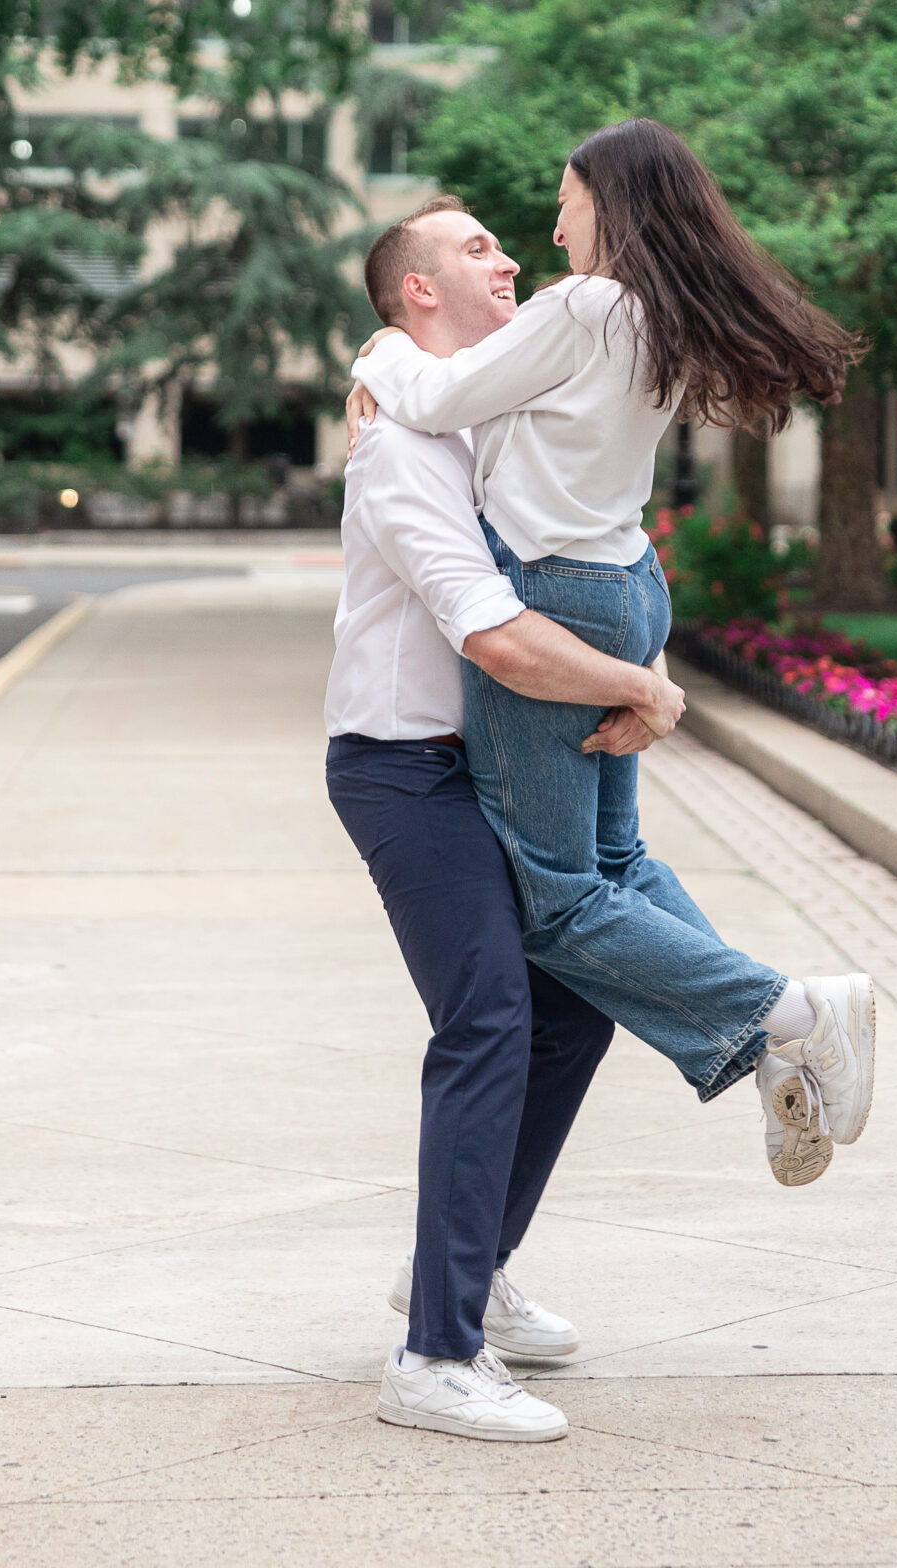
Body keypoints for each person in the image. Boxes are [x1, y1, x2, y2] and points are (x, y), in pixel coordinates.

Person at [350, 127, 876, 1202]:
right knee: (618, 860)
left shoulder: (586, 306)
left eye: (565, 203)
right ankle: (771, 1047)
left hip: (557, 592)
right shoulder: (651, 313)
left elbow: (438, 400)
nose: (553, 231)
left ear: (613, 199)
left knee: (555, 902)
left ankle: (793, 1014)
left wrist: (376, 353)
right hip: (628, 582)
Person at [326, 195, 693, 1446]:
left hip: (490, 756)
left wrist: (638, 658)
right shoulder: (400, 448)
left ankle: (465, 1270)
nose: (513, 257)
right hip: (405, 767)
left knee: (574, 1006)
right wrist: (638, 686)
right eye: (478, 246)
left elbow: (586, 545)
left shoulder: (479, 412)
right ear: (418, 290)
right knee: (489, 1017)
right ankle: (434, 1355)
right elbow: (492, 632)